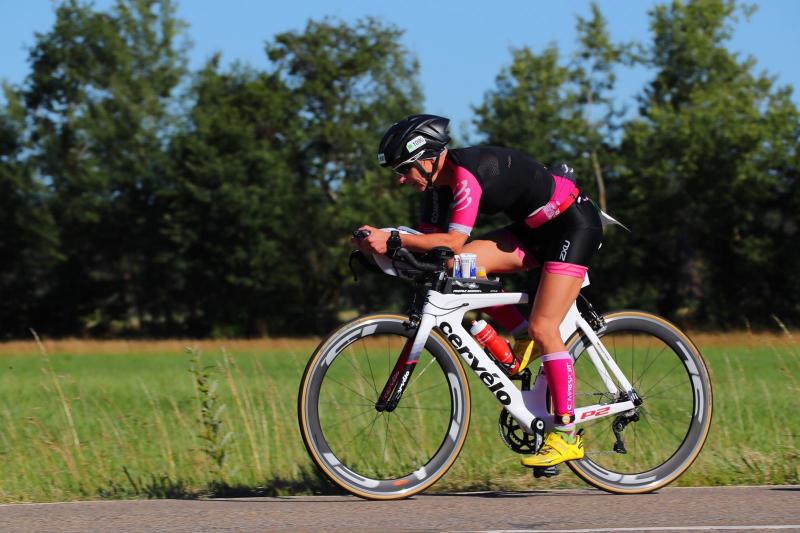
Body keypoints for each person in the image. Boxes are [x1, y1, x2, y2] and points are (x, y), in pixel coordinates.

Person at [353, 114, 603, 468]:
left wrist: (392, 237)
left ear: (428, 159)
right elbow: (435, 250)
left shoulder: (465, 174)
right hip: (533, 231)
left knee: (545, 327)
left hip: (572, 226)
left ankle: (566, 435)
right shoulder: (435, 190)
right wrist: (382, 250)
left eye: (404, 168)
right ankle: (520, 335)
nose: (400, 179)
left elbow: (454, 240)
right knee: (455, 267)